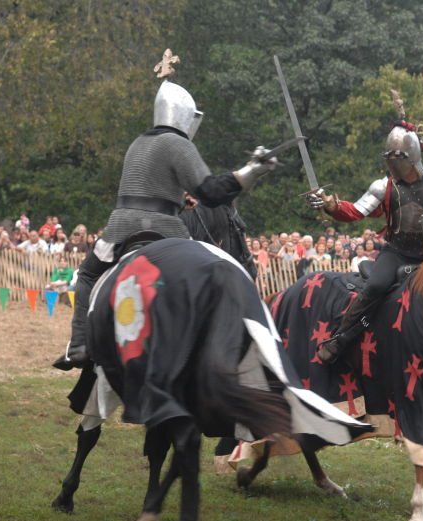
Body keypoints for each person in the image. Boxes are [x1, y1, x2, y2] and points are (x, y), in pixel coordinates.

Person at [53, 51, 280, 371]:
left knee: (89, 274)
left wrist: (179, 200)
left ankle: (78, 345)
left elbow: (146, 189)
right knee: (209, 277)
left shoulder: (137, 143)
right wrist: (251, 171)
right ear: (187, 117)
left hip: (120, 229)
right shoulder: (179, 144)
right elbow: (211, 193)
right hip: (166, 230)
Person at [306, 91, 423, 362]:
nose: (394, 167)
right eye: (390, 161)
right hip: (396, 253)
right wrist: (330, 204)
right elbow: (354, 212)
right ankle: (341, 338)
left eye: (399, 161)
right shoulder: (384, 187)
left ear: (413, 157)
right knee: (375, 287)